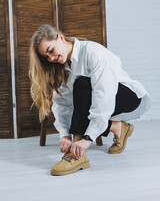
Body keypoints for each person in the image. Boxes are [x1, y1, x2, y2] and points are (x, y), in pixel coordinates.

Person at [29, 24, 151, 176]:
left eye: (51, 51)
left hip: (131, 97)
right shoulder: (62, 67)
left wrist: (86, 140)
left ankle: (77, 155)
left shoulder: (93, 53)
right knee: (78, 93)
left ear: (60, 37)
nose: (51, 58)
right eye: (46, 57)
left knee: (81, 84)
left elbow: (103, 96)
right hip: (102, 101)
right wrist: (64, 134)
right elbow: (62, 103)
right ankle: (118, 127)